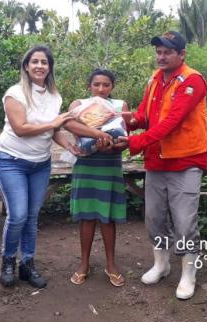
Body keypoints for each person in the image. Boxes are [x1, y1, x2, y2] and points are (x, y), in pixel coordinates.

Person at [118, 31, 207, 300]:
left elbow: (171, 122)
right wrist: (121, 120)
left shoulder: (192, 81)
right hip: (157, 161)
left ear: (182, 54)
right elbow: (145, 115)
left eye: (167, 52)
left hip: (185, 161)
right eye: (158, 51)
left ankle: (189, 274)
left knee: (184, 221)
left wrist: (134, 142)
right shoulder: (155, 79)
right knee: (154, 218)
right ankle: (162, 264)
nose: (161, 56)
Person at [0, 45, 78, 288]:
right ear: (26, 66)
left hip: (40, 164)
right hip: (11, 161)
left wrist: (69, 145)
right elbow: (21, 128)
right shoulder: (15, 93)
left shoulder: (55, 96)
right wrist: (55, 122)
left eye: (45, 62)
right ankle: (8, 260)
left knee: (31, 217)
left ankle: (27, 264)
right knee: (18, 215)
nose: (40, 66)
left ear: (50, 67)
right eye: (35, 61)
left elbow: (53, 131)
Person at [64, 69, 128, 287]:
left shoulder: (120, 106)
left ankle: (111, 264)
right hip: (86, 165)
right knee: (87, 216)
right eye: (96, 84)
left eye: (106, 84)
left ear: (112, 87)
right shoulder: (78, 104)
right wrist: (99, 135)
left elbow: (123, 139)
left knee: (108, 217)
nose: (101, 89)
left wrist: (111, 146)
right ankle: (84, 264)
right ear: (89, 86)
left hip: (109, 165)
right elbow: (69, 124)